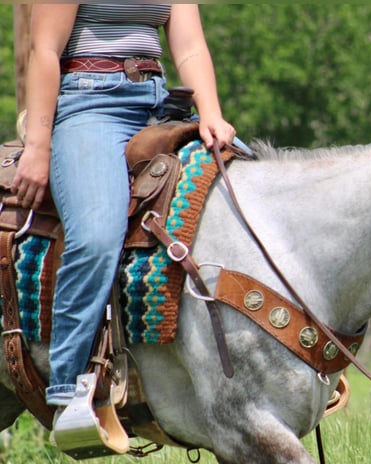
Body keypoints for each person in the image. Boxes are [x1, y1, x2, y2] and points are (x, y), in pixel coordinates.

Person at [11, 4, 236, 408]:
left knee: (243, 192)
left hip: (160, 105)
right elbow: (44, 50)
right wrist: (39, 147)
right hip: (90, 105)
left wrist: (212, 115)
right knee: (97, 236)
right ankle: (69, 384)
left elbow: (189, 46)